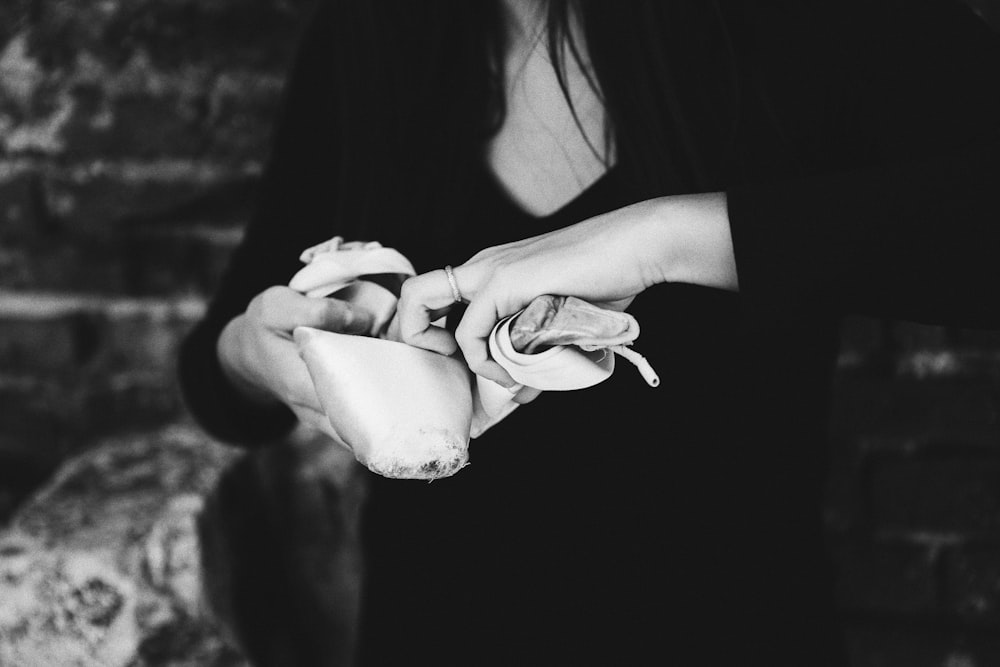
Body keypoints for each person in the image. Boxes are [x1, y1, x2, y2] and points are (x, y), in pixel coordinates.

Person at [178, 0, 1000, 664]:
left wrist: (662, 239)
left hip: (730, 632)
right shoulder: (372, 35)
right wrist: (251, 353)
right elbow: (219, 386)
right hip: (428, 631)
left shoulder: (805, 24)